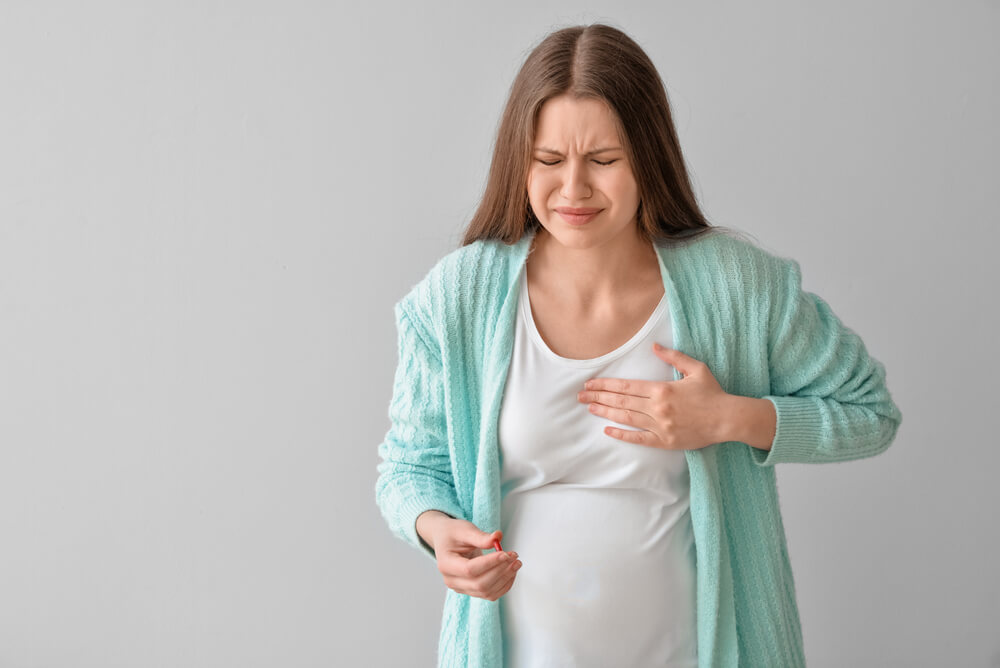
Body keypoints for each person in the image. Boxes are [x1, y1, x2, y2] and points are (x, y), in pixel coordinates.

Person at [375, 23, 902, 668]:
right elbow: (408, 467)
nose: (573, 190)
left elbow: (870, 413)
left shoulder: (736, 287)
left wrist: (731, 418)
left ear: (648, 157)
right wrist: (438, 532)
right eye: (548, 161)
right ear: (519, 160)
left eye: (604, 160)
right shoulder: (460, 298)